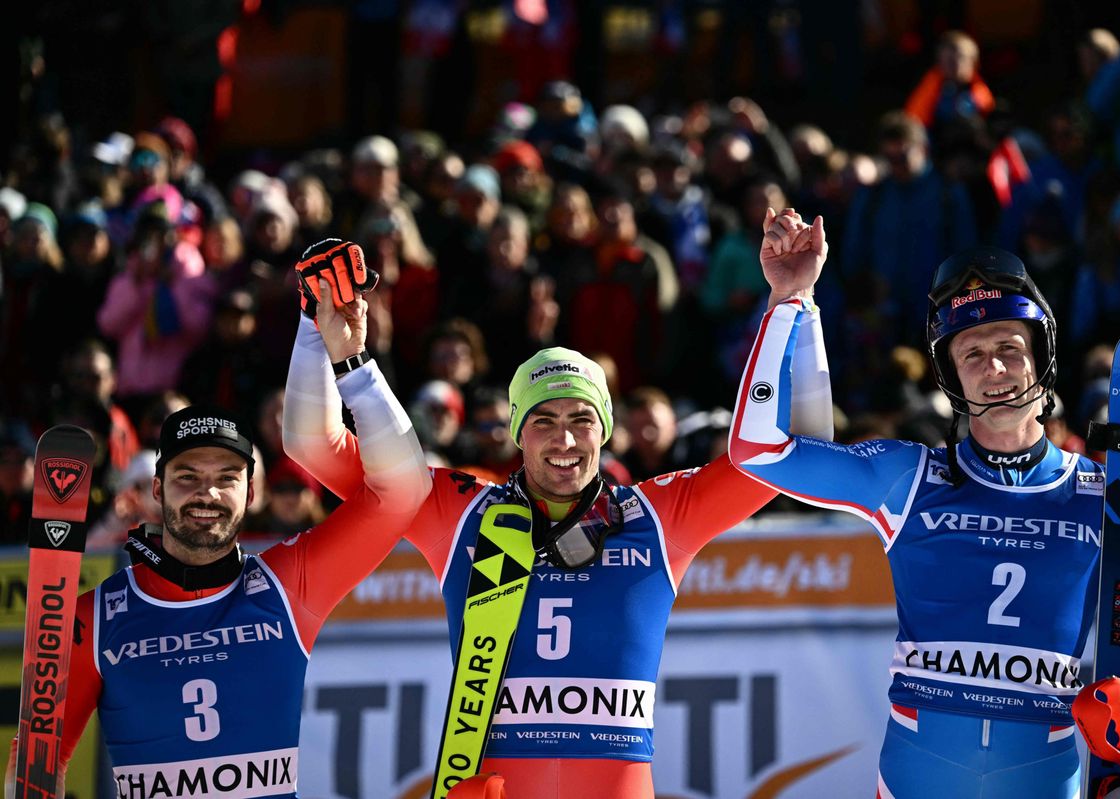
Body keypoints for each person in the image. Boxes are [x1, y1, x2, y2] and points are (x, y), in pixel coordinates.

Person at [283, 251, 834, 799]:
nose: (564, 441)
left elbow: (803, 456)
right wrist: (318, 330)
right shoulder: (460, 514)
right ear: (517, 433)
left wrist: (795, 303)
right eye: (543, 420)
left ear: (606, 431)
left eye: (581, 420)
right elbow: (315, 447)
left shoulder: (659, 517)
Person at [728, 213, 1120, 797]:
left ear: (1040, 357)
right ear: (951, 376)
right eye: (971, 354)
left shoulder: (1107, 499)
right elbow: (757, 450)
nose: (993, 368)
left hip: (1043, 778)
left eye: (1008, 348)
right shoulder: (909, 478)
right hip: (917, 776)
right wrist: (790, 299)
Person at [4, 276, 431, 798]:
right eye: (187, 477)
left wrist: (349, 361)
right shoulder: (91, 618)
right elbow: (34, 773)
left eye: (227, 478)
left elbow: (402, 492)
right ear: (157, 489)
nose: (206, 494)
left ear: (250, 493)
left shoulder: (288, 584)